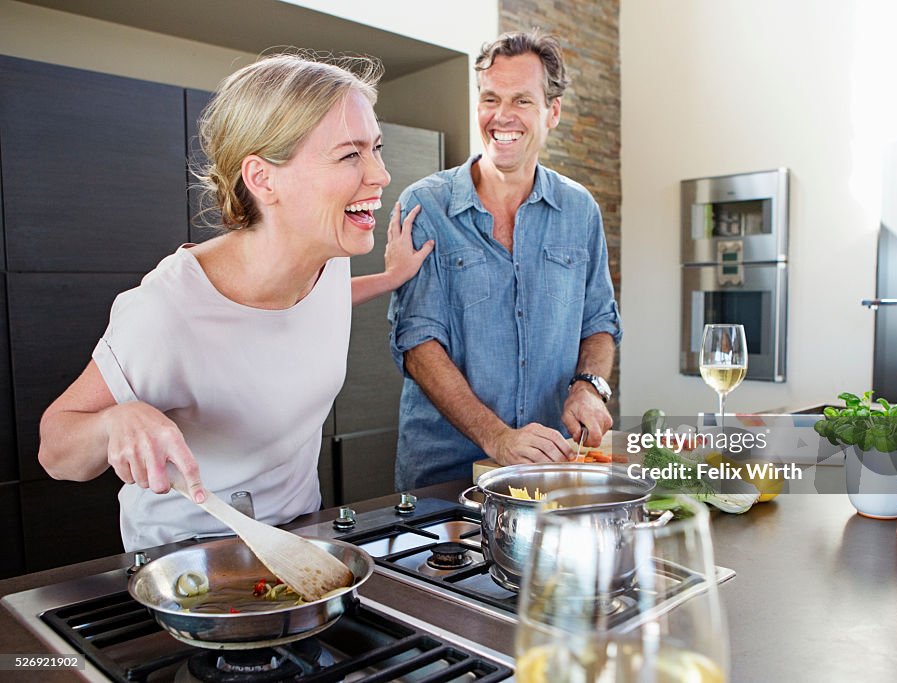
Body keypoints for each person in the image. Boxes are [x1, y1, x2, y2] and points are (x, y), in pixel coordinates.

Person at [36, 52, 434, 551]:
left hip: (298, 536)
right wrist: (116, 419)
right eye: (350, 155)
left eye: (376, 148)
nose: (380, 174)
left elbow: (303, 311)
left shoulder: (326, 257)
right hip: (189, 561)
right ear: (264, 178)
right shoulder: (169, 309)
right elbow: (56, 448)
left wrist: (390, 277)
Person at [389, 30, 622, 489]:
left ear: (552, 112)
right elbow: (418, 346)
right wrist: (496, 437)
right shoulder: (426, 206)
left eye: (521, 101)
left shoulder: (580, 211)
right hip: (444, 478)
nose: (502, 117)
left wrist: (589, 386)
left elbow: (599, 323)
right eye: (491, 99)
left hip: (547, 470)